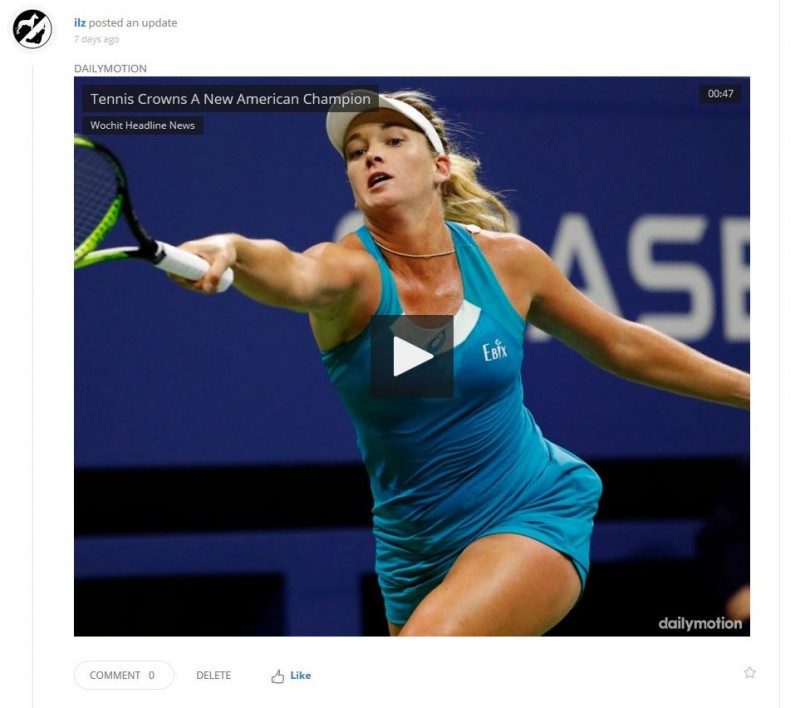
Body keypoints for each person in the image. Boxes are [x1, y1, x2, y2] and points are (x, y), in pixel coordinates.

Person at [172, 90, 750, 636]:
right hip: (413, 549)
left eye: (393, 140)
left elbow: (621, 344)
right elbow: (291, 272)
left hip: (528, 509)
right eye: (356, 151)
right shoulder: (350, 273)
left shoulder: (509, 263)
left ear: (440, 167)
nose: (371, 154)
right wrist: (235, 250)